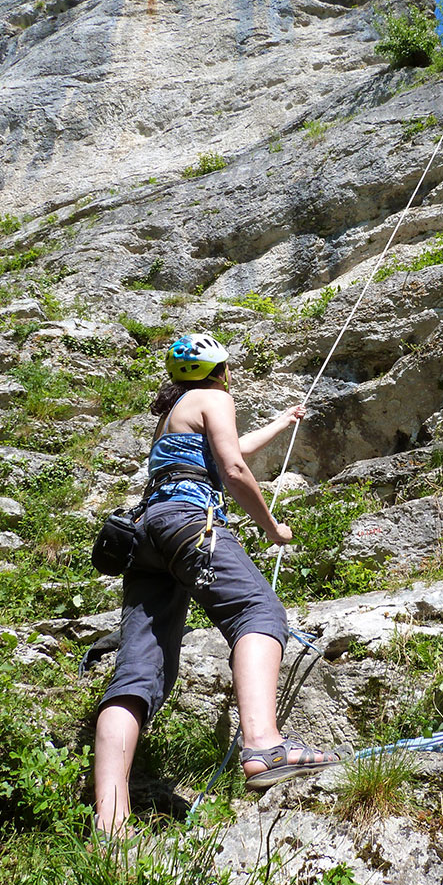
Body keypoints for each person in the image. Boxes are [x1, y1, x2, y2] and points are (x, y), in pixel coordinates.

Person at [93, 333, 349, 836]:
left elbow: (225, 451)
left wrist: (281, 422)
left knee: (139, 670)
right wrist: (271, 528)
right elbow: (232, 468)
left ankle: (110, 822)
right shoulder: (216, 396)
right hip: (191, 522)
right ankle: (263, 744)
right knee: (257, 613)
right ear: (222, 369)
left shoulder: (175, 414)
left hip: (147, 536)